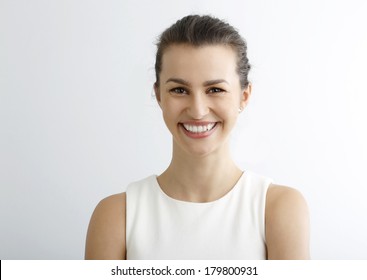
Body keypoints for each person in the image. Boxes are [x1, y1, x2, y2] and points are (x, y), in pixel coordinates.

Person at [85, 15, 310, 260]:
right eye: (179, 90)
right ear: (159, 95)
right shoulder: (116, 216)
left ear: (243, 96)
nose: (198, 110)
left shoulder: (277, 208)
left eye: (215, 90)